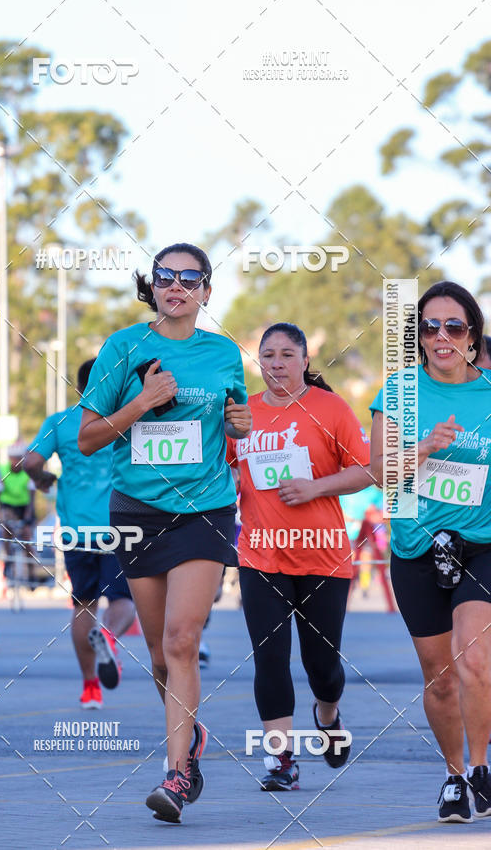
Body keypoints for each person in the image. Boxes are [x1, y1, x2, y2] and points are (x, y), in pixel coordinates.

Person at [77, 242, 251, 823]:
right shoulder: (122, 347)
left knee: (181, 641)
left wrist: (240, 423)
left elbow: (236, 423)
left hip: (205, 510)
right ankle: (191, 737)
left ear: (206, 291)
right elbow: (88, 437)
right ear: (151, 286)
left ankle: (175, 775)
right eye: (165, 276)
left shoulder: (224, 353)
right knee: (157, 655)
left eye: (189, 277)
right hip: (137, 511)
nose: (176, 285)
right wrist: (143, 402)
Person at [227, 323, 371, 791]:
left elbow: (367, 470)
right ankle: (281, 760)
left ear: (305, 361)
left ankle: (327, 716)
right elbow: (224, 472)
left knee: (322, 667)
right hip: (260, 555)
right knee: (270, 659)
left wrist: (316, 487)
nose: (276, 363)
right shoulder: (243, 414)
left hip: (322, 556)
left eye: (287, 355)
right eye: (268, 355)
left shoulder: (330, 408)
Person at [370, 281, 491, 823]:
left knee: (475, 660)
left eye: (454, 326)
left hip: (482, 546)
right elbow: (380, 473)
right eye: (429, 326)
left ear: (473, 335)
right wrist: (423, 448)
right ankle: (454, 775)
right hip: (416, 549)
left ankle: (482, 767)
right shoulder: (399, 391)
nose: (442, 336)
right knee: (439, 677)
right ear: (418, 336)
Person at [24, 359, 135, 709]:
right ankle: (108, 636)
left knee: (83, 604)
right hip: (119, 527)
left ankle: (90, 688)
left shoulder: (60, 422)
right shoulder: (125, 418)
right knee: (123, 600)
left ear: (79, 387)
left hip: (76, 531)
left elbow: (30, 462)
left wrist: (42, 479)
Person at [0, 444, 36, 583]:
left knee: (26, 537)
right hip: (8, 506)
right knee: (6, 531)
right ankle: (8, 562)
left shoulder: (28, 471)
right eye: (13, 458)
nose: (16, 461)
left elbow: (32, 496)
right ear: (9, 458)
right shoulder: (2, 470)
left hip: (24, 506)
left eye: (18, 458)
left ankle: (31, 572)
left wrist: (27, 517)